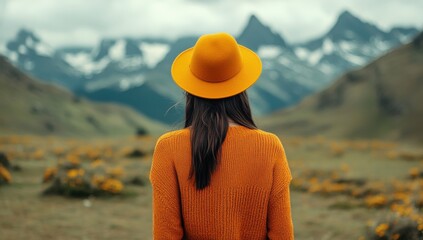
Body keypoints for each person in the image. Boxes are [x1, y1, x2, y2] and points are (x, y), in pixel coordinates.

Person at [149, 32, 294, 240]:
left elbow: (166, 235)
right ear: (241, 86)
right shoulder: (270, 146)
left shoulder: (168, 147)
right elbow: (282, 234)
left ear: (190, 89)